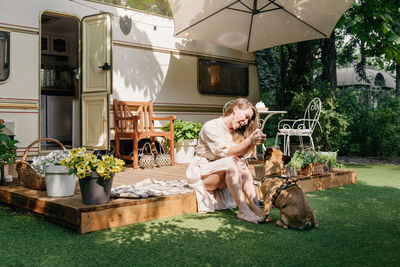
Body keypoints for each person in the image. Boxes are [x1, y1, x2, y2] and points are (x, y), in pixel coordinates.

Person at [186, 98, 266, 223]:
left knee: (243, 166)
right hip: (203, 174)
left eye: (248, 120)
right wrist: (249, 141)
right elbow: (226, 153)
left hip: (224, 173)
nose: (245, 122)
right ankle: (243, 211)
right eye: (245, 117)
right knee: (230, 161)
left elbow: (236, 156)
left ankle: (256, 209)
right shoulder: (211, 126)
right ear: (236, 109)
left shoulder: (236, 132)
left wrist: (252, 142)